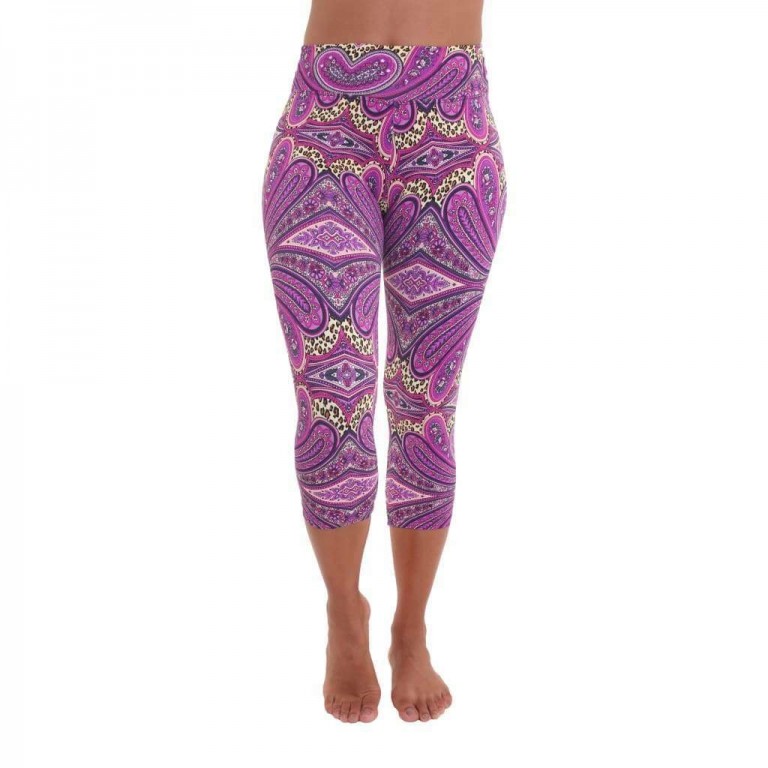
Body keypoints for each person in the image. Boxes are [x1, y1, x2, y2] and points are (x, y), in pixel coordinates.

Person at [260, 0, 506, 723]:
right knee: (331, 403)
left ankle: (411, 628)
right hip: (325, 129)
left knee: (426, 407)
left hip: (453, 127)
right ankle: (345, 612)